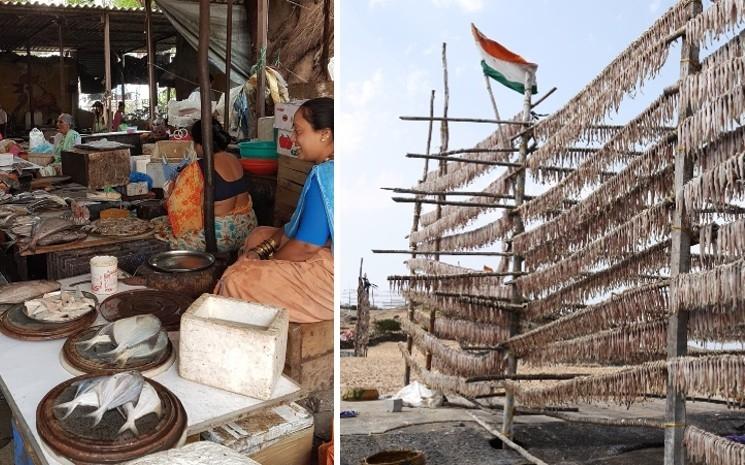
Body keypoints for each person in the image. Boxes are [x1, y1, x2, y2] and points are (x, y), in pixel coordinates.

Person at [215, 97, 334, 324]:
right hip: (326, 252)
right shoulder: (329, 169)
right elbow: (294, 227)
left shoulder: (326, 176)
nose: (293, 139)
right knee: (258, 235)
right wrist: (260, 250)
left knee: (235, 280)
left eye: (298, 131)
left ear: (324, 134)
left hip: (330, 276)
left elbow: (307, 246)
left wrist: (266, 264)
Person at [159, 118, 258, 252]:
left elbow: (177, 206)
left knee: (163, 240)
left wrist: (169, 195)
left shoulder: (198, 168)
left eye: (194, 142)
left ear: (200, 144)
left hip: (221, 235)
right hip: (248, 227)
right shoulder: (234, 159)